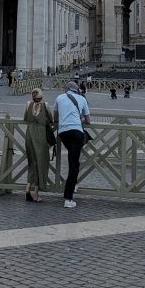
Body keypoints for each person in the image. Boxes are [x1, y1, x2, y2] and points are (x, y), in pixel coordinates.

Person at [53, 81, 90, 209]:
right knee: (73, 164)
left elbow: (55, 118)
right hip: (76, 133)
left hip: (63, 133)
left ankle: (74, 183)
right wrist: (79, 120)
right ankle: (68, 198)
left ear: (66, 89)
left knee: (74, 160)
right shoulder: (82, 99)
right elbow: (87, 119)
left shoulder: (59, 98)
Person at [22, 88, 53, 202]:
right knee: (41, 162)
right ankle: (36, 194)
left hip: (29, 134)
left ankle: (27, 189)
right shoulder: (45, 105)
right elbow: (51, 119)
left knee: (32, 162)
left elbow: (25, 118)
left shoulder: (28, 104)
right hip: (40, 136)